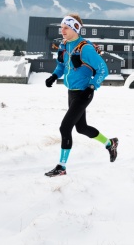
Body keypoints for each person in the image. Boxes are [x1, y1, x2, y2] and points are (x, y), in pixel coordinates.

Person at [43, 14, 117, 177]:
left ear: (75, 29)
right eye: (61, 27)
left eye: (65, 28)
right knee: (81, 128)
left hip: (84, 93)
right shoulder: (64, 46)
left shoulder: (85, 48)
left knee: (65, 127)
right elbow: (61, 65)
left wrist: (92, 86)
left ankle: (61, 167)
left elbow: (104, 70)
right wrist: (54, 76)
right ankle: (110, 143)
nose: (62, 31)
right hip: (72, 92)